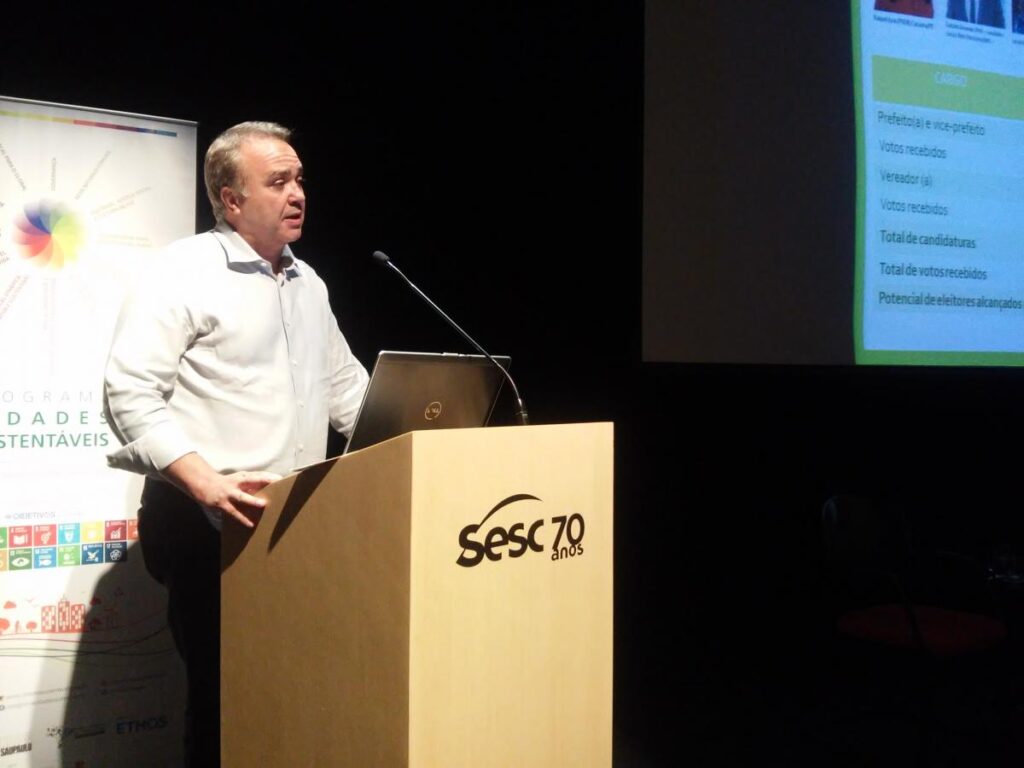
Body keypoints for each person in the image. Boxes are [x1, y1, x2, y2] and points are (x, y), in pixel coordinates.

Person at [103, 121, 369, 766]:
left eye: (299, 179)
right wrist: (206, 484)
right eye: (278, 182)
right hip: (205, 524)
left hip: (295, 525)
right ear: (231, 198)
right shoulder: (183, 271)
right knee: (226, 706)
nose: (298, 193)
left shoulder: (308, 283)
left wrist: (421, 434)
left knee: (289, 695)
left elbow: (348, 393)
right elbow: (128, 392)